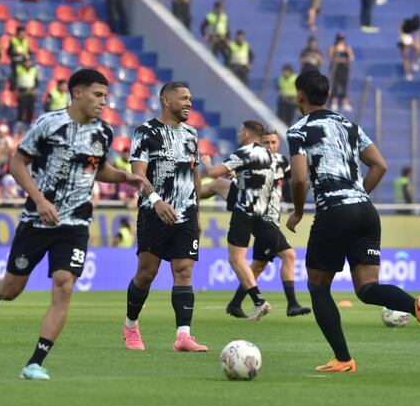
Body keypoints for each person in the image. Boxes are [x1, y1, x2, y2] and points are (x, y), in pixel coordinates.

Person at [0, 69, 148, 380]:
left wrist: (124, 177)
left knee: (64, 284)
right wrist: (40, 200)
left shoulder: (103, 132)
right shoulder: (48, 124)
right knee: (13, 288)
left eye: (106, 97)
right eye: (98, 95)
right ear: (78, 93)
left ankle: (35, 362)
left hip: (76, 222)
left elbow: (98, 168)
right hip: (36, 220)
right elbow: (17, 163)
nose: (103, 102)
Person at [286, 70, 420, 373]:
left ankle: (344, 359)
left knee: (318, 287)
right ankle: (415, 305)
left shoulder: (299, 131)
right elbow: (379, 165)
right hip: (366, 211)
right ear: (327, 95)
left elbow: (299, 177)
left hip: (333, 212)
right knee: (367, 287)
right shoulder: (349, 125)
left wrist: (298, 211)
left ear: (300, 96)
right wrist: (357, 195)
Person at [122, 82, 208, 352]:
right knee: (147, 273)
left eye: (190, 98)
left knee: (184, 271)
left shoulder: (192, 135)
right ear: (166, 100)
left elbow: (195, 175)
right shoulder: (146, 133)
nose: (189, 103)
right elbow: (138, 175)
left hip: (185, 216)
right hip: (154, 214)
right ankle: (131, 326)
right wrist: (156, 201)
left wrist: (197, 214)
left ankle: (183, 336)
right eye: (183, 98)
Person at [205, 129, 311, 318]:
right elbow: (235, 179)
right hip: (262, 217)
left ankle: (235, 303)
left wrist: (304, 188)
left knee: (258, 265)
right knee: (289, 255)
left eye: (273, 142)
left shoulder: (281, 162)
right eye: (267, 142)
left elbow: (295, 182)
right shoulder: (253, 161)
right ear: (260, 144)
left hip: (272, 218)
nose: (270, 146)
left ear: (278, 144)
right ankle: (292, 303)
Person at [200, 120, 274, 321]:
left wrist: (205, 161)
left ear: (249, 134)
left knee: (235, 259)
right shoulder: (266, 153)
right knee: (219, 184)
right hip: (261, 210)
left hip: (243, 210)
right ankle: (189, 195)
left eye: (241, 131)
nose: (238, 134)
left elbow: (212, 172)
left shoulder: (244, 152)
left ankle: (258, 300)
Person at [328, 33, 354, 111]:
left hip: (344, 69)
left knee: (344, 86)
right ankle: (334, 103)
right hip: (336, 69)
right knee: (335, 85)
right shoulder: (333, 47)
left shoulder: (347, 47)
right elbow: (332, 57)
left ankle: (345, 103)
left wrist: (347, 50)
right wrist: (341, 59)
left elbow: (351, 58)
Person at [15, 54, 38, 123]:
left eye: (28, 61)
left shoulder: (34, 69)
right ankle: (19, 123)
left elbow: (36, 80)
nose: (27, 63)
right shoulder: (18, 68)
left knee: (30, 109)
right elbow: (13, 79)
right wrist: (15, 90)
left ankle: (28, 122)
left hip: (31, 91)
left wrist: (35, 88)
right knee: (21, 108)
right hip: (21, 90)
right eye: (25, 61)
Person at [398, 14, 420, 80]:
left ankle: (415, 62)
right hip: (404, 38)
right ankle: (408, 74)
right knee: (406, 58)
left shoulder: (417, 27)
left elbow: (417, 36)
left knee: (418, 48)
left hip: (409, 38)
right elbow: (400, 26)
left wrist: (417, 43)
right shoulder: (407, 22)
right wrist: (401, 35)